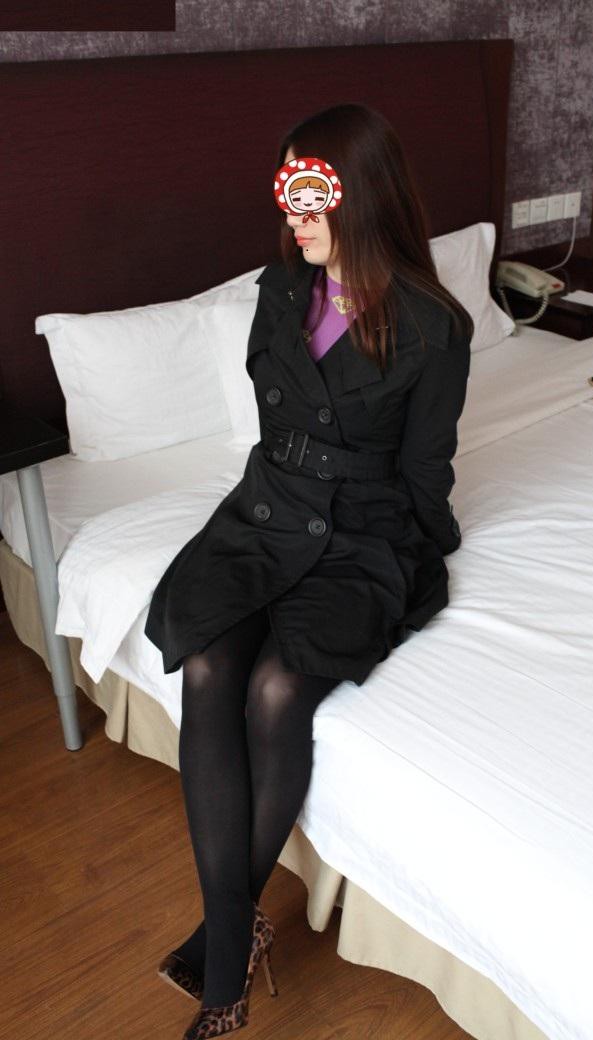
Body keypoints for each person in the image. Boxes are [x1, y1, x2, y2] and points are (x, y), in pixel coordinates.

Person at [144, 102, 473, 1040]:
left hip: (365, 529)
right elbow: (274, 421)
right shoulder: (282, 287)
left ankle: (221, 957)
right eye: (286, 188)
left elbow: (424, 470)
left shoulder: (433, 327)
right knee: (209, 661)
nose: (292, 212)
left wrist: (416, 557)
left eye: (311, 191)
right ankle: (233, 935)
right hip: (267, 509)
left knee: (279, 689)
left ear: (359, 195)